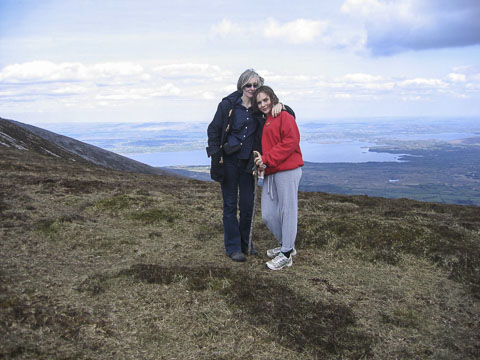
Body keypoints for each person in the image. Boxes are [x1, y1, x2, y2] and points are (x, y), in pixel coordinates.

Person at [206, 69, 291, 262]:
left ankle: (246, 243)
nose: (252, 88)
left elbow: (289, 114)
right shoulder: (228, 104)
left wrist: (281, 105)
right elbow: (214, 129)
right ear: (241, 86)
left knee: (247, 206)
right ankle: (233, 247)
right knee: (229, 205)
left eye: (255, 85)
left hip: (248, 164)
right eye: (248, 85)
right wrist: (214, 153)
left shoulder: (261, 107)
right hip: (228, 161)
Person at [253, 85, 303, 270]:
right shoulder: (267, 120)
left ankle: (287, 253)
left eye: (266, 100)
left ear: (273, 98)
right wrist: (262, 164)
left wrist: (267, 159)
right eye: (259, 102)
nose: (263, 104)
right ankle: (286, 245)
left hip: (288, 170)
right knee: (268, 214)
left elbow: (291, 142)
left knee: (288, 211)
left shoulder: (284, 116)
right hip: (272, 171)